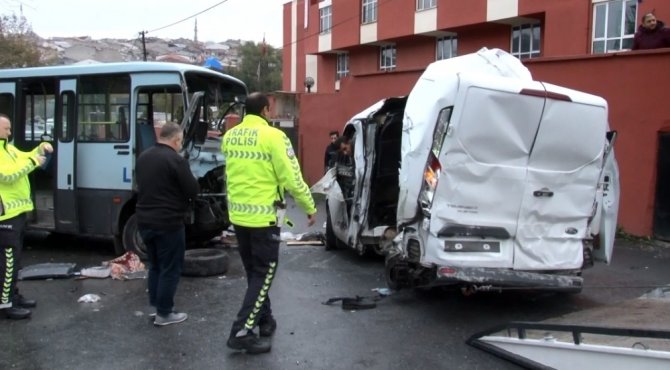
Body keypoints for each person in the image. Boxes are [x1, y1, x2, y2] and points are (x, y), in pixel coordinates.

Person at [221, 92, 316, 354]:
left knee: (255, 273)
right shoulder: (274, 137)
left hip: (239, 217)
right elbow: (292, 177)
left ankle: (265, 320)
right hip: (264, 218)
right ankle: (241, 331)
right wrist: (309, 206)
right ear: (265, 110)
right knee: (264, 273)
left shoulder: (230, 136)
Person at [135, 122, 199, 326]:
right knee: (170, 268)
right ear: (176, 140)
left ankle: (155, 307)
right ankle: (165, 313)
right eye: (180, 141)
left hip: (144, 221)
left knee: (154, 266)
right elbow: (192, 190)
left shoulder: (143, 157)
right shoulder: (175, 161)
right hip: (168, 222)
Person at [0, 113, 52, 320]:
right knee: (8, 262)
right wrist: (33, 161)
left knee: (15, 260)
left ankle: (12, 295)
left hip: (17, 215)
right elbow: (8, 175)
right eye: (6, 129)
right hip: (5, 218)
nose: (10, 132)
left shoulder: (9, 149)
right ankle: (5, 305)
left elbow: (25, 156)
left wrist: (40, 149)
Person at [333, 136, 355, 216]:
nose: (345, 153)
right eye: (343, 151)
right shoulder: (345, 156)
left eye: (345, 149)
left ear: (349, 143)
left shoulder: (359, 152)